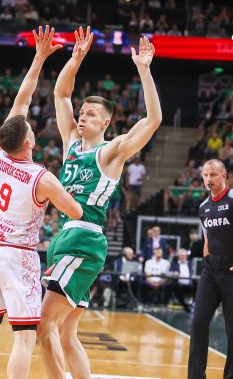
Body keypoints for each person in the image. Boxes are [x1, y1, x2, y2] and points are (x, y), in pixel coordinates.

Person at [0, 26, 83, 379]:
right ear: (28, 143)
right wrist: (66, 188)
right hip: (17, 257)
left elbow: (21, 100)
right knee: (24, 339)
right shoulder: (43, 177)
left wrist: (38, 58)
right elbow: (76, 211)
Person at [39, 29, 162, 379]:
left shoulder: (109, 153)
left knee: (42, 325)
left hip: (85, 240)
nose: (82, 116)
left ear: (105, 122)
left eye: (91, 114)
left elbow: (152, 120)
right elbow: (61, 94)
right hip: (65, 238)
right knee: (66, 332)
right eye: (82, 112)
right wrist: (75, 60)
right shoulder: (71, 146)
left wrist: (144, 69)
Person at [188, 159, 233, 379]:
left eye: (213, 175)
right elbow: (207, 240)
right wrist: (207, 260)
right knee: (199, 322)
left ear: (223, 176)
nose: (209, 179)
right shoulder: (203, 207)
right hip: (211, 271)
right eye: (206, 175)